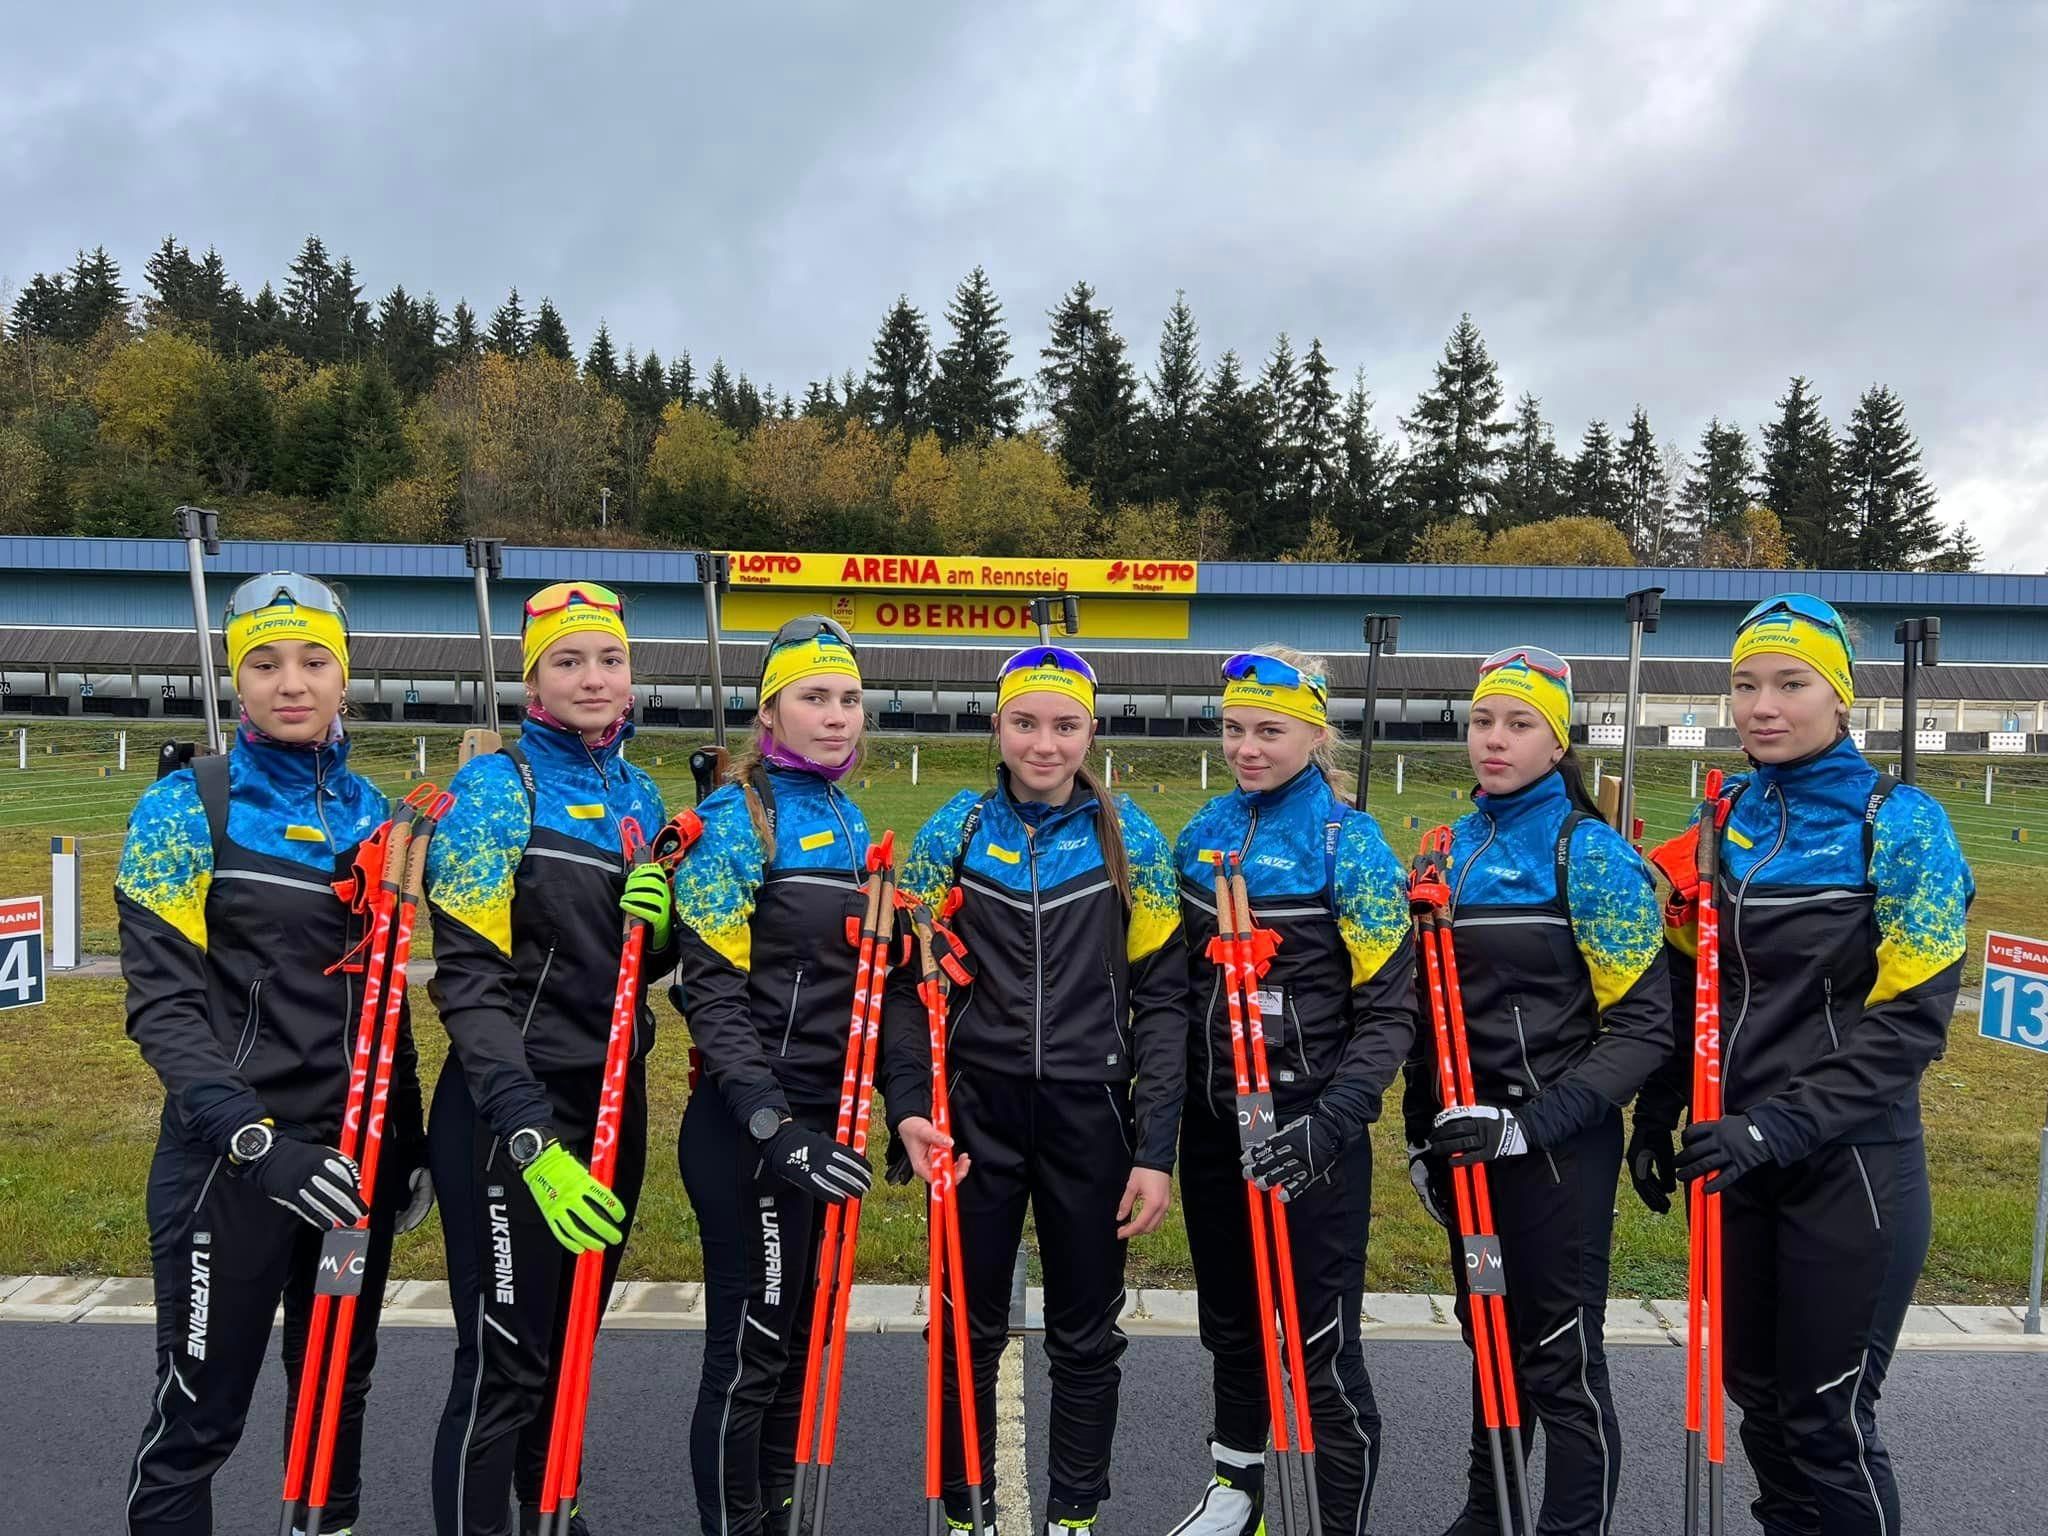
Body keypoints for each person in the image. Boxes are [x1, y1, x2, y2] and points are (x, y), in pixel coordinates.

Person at [1632, 595, 1971, 1536]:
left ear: (1840, 698)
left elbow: (1908, 1027)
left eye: (1791, 684)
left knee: (1827, 1424)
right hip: (1736, 1161)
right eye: (1746, 685)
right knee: (1762, 1408)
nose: (1763, 706)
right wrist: (1657, 1111)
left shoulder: (1900, 823)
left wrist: (1774, 1126)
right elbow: (1694, 986)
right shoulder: (1722, 819)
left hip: (1848, 1165)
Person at [119, 571, 433, 1536]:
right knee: (201, 1411)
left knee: (336, 1397)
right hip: (232, 1164)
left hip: (348, 1169)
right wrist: (255, 1141)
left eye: (312, 662)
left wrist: (408, 1141)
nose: (290, 683)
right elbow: (164, 1009)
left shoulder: (381, 816)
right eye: (264, 664)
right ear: (236, 678)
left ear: (345, 678)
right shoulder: (187, 806)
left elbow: (385, 1001)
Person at [882, 644, 1187, 1536]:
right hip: (974, 1114)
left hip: (1092, 1116)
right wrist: (908, 1106)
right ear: (997, 726)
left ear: (1092, 732)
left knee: (1086, 1335)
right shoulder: (956, 830)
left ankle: (1074, 1514)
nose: (1043, 744)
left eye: (1064, 725)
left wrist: (1155, 1149)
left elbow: (1165, 1001)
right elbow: (904, 985)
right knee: (963, 1329)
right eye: (1024, 723)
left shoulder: (1131, 837)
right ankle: (964, 1508)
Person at [424, 580, 676, 1536]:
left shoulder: (640, 794)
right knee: (504, 1363)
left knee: (568, 1349)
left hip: (611, 1100)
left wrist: (664, 932)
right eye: (568, 661)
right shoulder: (498, 788)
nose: (593, 677)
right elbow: (468, 983)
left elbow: (636, 963)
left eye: (609, 659)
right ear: (533, 681)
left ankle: (550, 1513)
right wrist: (530, 1133)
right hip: (508, 1111)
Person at [1402, 646, 1672, 1536]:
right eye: (1483, 720)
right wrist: (1420, 1132)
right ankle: (1488, 1514)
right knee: (1490, 1346)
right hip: (1465, 1148)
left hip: (1555, 1150)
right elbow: (1427, 1012)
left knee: (1559, 1362)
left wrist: (1527, 1125)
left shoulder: (1588, 854)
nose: (1495, 739)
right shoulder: (1446, 848)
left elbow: (1643, 1030)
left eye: (1520, 724)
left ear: (1558, 744)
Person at [1166, 648, 1417, 1536]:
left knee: (1317, 1345)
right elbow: (1172, 987)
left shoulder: (1351, 843)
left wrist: (1331, 1123)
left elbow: (1390, 1013)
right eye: (1234, 729)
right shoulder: (1202, 832)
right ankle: (1236, 1494)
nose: (1247, 748)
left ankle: (1336, 1520)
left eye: (1269, 731)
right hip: (1214, 1128)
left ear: (1315, 735)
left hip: (1310, 1132)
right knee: (1231, 1325)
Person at [669, 616, 879, 1536]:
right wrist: (771, 1124)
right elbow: (711, 997)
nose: (835, 716)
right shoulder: (735, 819)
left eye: (849, 699)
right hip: (750, 1131)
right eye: (813, 698)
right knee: (749, 1356)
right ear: (769, 714)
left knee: (798, 1349)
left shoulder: (846, 814)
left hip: (823, 1124)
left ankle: (776, 1517)